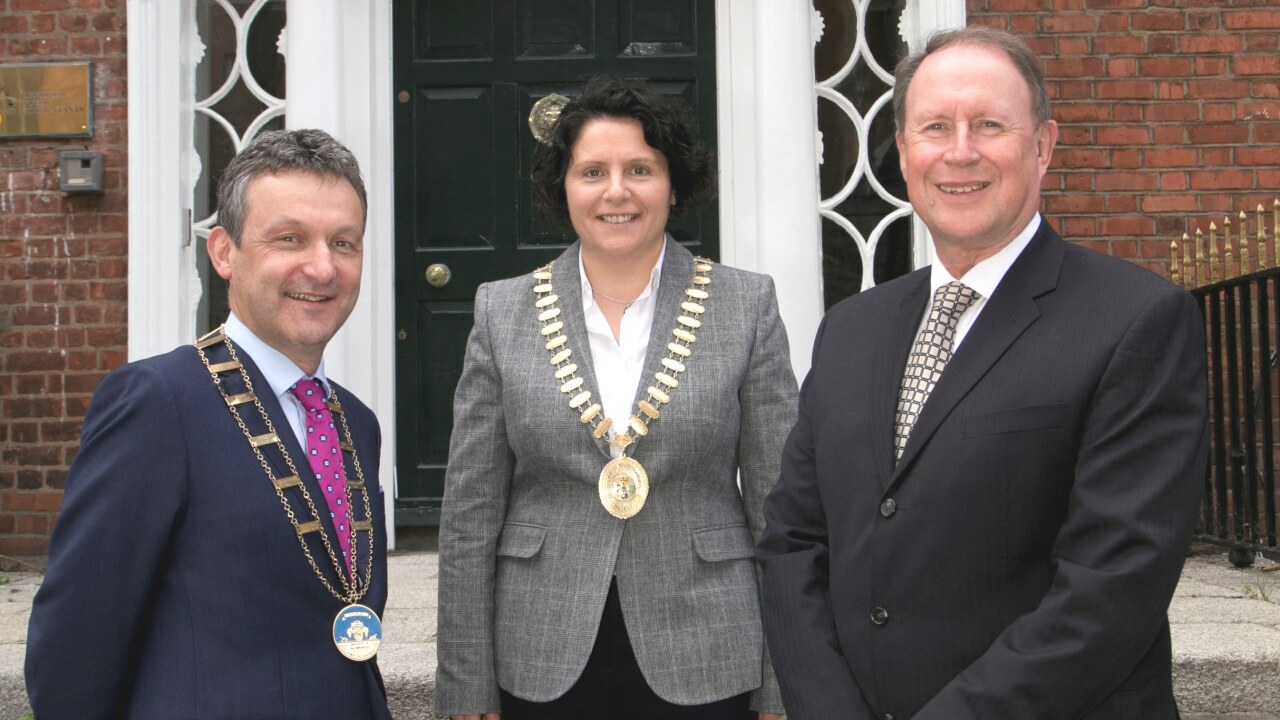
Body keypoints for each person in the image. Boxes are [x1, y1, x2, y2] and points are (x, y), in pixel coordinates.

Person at [757, 26, 1209, 720]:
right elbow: (794, 543)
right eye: (935, 127)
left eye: (989, 125)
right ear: (905, 152)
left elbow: (1111, 587)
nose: (959, 151)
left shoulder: (1136, 320)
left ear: (1043, 146)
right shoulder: (852, 329)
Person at [435, 75, 797, 720]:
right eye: (592, 171)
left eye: (640, 169)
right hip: (538, 650)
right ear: (563, 188)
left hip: (709, 645)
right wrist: (465, 684)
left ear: (674, 183)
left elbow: (780, 508)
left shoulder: (746, 305)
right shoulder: (502, 310)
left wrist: (782, 685)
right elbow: (470, 514)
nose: (616, 192)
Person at [25, 129, 392, 719]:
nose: (322, 267)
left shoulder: (356, 422)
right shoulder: (158, 403)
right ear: (224, 251)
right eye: (289, 238)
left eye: (344, 243)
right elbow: (78, 637)